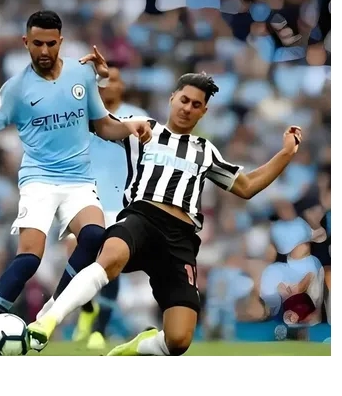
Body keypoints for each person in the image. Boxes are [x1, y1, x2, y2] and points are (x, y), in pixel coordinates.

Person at [27, 72, 303, 356]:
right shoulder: (144, 129)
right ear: (172, 98)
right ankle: (48, 321)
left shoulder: (205, 151)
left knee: (178, 340)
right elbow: (100, 124)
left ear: (204, 111)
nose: (188, 108)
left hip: (180, 238)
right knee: (110, 257)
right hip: (143, 216)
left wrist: (286, 153)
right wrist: (89, 81)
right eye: (184, 100)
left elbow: (246, 186)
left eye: (196, 104)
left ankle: (139, 346)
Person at [0, 10, 149, 356]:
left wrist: (129, 126)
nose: (45, 50)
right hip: (39, 180)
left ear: (61, 41)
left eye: (51, 43)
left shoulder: (82, 75)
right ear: (26, 42)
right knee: (29, 259)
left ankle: (53, 308)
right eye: (38, 43)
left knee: (94, 236)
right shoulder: (16, 89)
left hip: (79, 179)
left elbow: (102, 126)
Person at [37, 64, 148, 350]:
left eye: (116, 81)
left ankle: (99, 328)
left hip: (121, 202)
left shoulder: (137, 117)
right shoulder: (80, 115)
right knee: (77, 252)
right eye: (105, 81)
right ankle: (87, 308)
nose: (110, 85)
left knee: (110, 263)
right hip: (84, 198)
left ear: (122, 87)